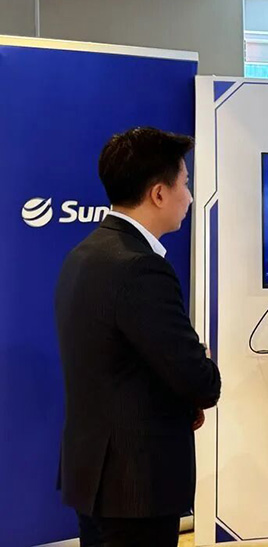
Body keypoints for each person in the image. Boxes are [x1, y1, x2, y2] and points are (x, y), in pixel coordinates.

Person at [55, 127, 221, 546]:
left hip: (95, 475)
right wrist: (201, 365)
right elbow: (197, 379)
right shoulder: (141, 267)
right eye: (185, 184)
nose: (190, 197)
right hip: (136, 485)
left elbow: (118, 363)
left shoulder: (83, 254)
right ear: (159, 194)